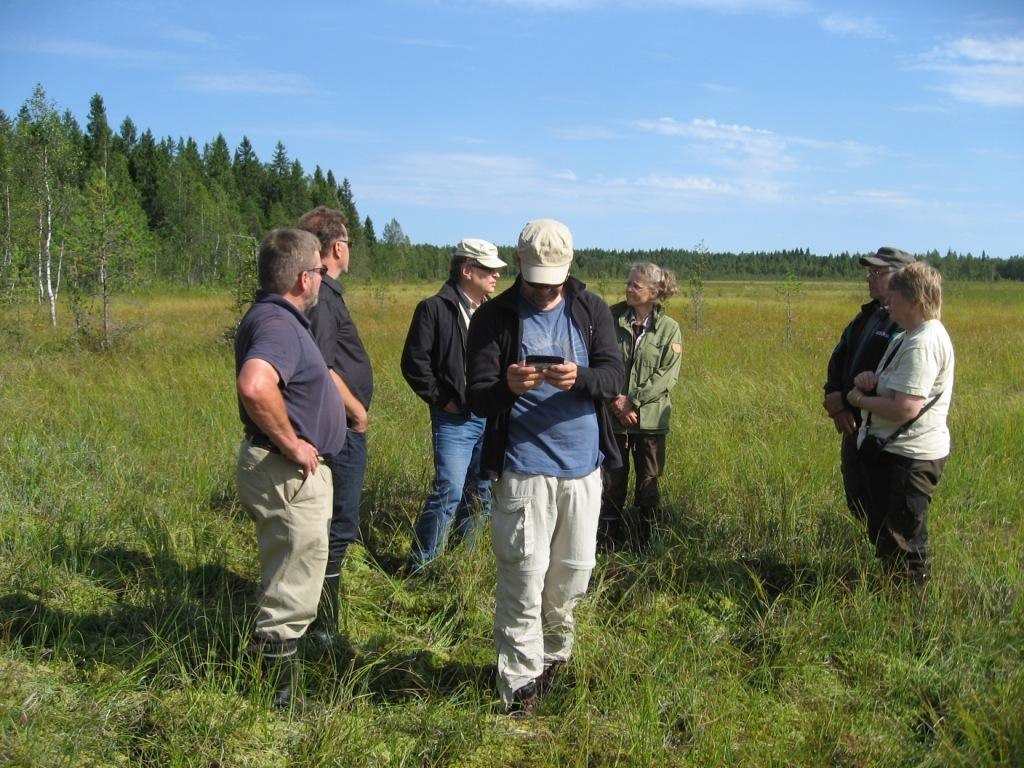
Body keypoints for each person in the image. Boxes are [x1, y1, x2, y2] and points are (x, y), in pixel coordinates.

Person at [466, 218, 624, 715]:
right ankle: (519, 685)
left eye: (552, 281)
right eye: (534, 280)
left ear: (568, 271)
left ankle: (556, 660)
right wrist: (507, 387)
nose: (542, 290)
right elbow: (476, 394)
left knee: (572, 576)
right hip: (523, 470)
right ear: (518, 266)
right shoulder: (495, 317)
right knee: (523, 575)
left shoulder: (591, 309)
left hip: (583, 471)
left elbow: (614, 374)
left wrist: (580, 378)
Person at [234, 228, 346, 709]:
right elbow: (256, 385)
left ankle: (272, 687)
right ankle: (278, 701)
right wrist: (294, 445)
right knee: (292, 586)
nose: (324, 277)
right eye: (320, 270)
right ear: (304, 278)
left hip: (283, 471)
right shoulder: (279, 325)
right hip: (287, 472)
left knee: (285, 573)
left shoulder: (273, 318)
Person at [401, 238, 507, 574]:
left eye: (496, 270)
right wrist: (442, 399)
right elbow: (414, 363)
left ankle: (462, 563)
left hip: (489, 416)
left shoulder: (495, 312)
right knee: (449, 489)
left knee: (482, 492)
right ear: (466, 270)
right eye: (488, 270)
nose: (496, 276)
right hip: (454, 419)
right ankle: (421, 565)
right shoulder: (434, 308)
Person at [847, 261, 954, 583]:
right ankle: (892, 592)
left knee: (905, 542)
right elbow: (895, 385)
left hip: (910, 456)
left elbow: (905, 408)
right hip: (894, 451)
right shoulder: (908, 336)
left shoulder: (923, 342)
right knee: (889, 533)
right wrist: (871, 379)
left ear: (916, 301)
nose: (888, 303)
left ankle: (907, 611)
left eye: (894, 297)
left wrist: (859, 400)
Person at [297, 207, 374, 651]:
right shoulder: (323, 296)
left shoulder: (323, 293)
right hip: (341, 430)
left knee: (332, 526)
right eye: (347, 243)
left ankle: (316, 616)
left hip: (337, 427)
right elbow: (322, 367)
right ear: (337, 247)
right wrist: (355, 412)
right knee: (338, 527)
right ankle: (322, 625)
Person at [823, 247, 915, 521]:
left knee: (892, 512)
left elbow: (896, 381)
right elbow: (838, 358)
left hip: (888, 436)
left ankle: (893, 563)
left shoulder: (910, 326)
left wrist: (850, 400)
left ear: (903, 278)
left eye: (878, 272)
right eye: (869, 272)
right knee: (858, 501)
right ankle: (871, 557)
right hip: (854, 429)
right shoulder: (866, 316)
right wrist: (836, 398)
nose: (869, 278)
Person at [600, 263, 682, 550]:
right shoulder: (610, 319)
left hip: (650, 422)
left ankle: (647, 545)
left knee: (648, 488)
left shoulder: (669, 329)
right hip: (614, 420)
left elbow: (667, 376)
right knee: (611, 487)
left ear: (654, 292)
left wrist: (632, 399)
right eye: (628, 283)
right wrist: (615, 401)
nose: (628, 288)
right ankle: (606, 547)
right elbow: (599, 362)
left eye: (636, 285)